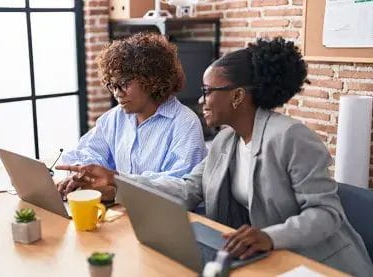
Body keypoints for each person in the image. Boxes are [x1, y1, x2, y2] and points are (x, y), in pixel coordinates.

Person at [56, 37, 373, 276]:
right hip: (271, 259)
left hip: (321, 264)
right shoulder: (226, 142)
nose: (201, 99)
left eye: (209, 91)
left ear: (237, 96)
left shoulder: (291, 137)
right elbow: (187, 189)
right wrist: (118, 182)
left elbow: (327, 214)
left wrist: (269, 237)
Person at [56, 32, 207, 200]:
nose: (116, 93)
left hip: (162, 216)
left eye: (123, 84)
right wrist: (81, 174)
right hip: (122, 211)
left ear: (151, 80)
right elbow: (87, 152)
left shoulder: (185, 124)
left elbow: (180, 189)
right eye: (111, 85)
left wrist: (116, 180)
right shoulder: (114, 118)